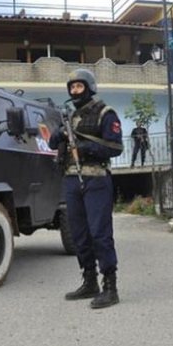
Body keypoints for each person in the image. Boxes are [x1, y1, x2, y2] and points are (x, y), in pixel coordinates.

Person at [48, 68, 124, 309]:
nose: (75, 91)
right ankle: (89, 281)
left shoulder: (105, 113)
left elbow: (115, 147)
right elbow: (51, 143)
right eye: (72, 87)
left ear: (89, 88)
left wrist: (85, 148)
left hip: (96, 179)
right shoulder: (70, 118)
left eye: (79, 86)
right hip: (72, 180)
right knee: (79, 235)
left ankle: (110, 287)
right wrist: (60, 134)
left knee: (100, 234)